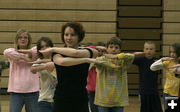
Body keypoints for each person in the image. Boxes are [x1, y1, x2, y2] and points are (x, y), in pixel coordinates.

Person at [39, 22, 101, 112]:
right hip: (61, 99)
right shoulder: (57, 54)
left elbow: (75, 53)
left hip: (80, 99)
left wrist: (52, 48)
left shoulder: (89, 51)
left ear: (79, 36)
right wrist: (86, 60)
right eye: (66, 35)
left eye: (73, 35)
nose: (69, 38)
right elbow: (63, 62)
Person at [94, 37, 135, 112]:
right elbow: (96, 61)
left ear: (120, 50)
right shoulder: (102, 59)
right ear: (107, 48)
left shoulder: (123, 61)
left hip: (118, 101)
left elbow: (131, 56)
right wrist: (112, 65)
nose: (113, 49)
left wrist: (116, 56)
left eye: (116, 47)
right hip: (103, 100)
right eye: (111, 47)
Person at [3, 29, 39, 112]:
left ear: (28, 40)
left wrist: (26, 52)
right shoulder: (13, 52)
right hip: (16, 92)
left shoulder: (33, 53)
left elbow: (38, 49)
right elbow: (6, 52)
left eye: (25, 37)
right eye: (20, 37)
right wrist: (23, 57)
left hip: (32, 92)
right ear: (17, 40)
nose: (23, 39)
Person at [132, 41, 162, 112]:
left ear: (154, 51)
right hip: (143, 92)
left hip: (154, 92)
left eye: (151, 49)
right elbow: (128, 59)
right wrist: (134, 54)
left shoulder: (157, 61)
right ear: (144, 50)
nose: (149, 51)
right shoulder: (140, 60)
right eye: (147, 49)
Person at [30, 37, 57, 112]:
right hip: (44, 100)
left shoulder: (58, 58)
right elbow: (32, 69)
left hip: (58, 100)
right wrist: (45, 65)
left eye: (47, 45)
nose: (45, 48)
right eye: (42, 47)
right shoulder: (39, 61)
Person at [150, 43, 180, 111]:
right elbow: (152, 67)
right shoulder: (168, 63)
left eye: (174, 52)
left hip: (177, 93)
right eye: (170, 52)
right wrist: (162, 59)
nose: (172, 54)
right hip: (168, 92)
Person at [86, 42, 106, 112]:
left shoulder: (106, 62)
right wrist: (96, 47)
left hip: (103, 91)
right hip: (92, 92)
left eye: (102, 51)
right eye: (98, 51)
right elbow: (88, 49)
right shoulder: (91, 62)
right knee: (93, 109)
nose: (100, 53)